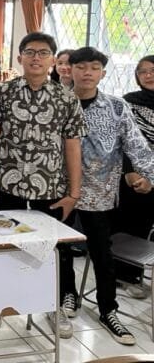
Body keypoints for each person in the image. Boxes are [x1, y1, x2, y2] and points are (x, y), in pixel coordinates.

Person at [0, 32, 86, 338]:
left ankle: (56, 306)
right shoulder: (0, 94)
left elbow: (72, 146)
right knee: (2, 248)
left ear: (53, 59)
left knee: (56, 251)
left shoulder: (67, 98)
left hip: (51, 189)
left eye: (43, 53)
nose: (36, 58)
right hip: (7, 186)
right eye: (30, 52)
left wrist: (74, 193)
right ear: (20, 58)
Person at [65, 47, 154, 345]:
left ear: (102, 73)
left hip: (99, 194)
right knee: (61, 250)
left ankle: (108, 309)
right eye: (81, 66)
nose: (87, 72)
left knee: (102, 254)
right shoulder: (58, 102)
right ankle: (67, 295)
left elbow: (137, 146)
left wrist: (151, 177)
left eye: (94, 67)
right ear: (70, 70)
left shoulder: (117, 107)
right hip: (59, 192)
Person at [114, 54, 154, 298]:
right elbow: (122, 139)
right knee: (130, 225)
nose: (148, 75)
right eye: (143, 71)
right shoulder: (128, 102)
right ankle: (126, 276)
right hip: (133, 176)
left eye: (153, 70)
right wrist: (130, 171)